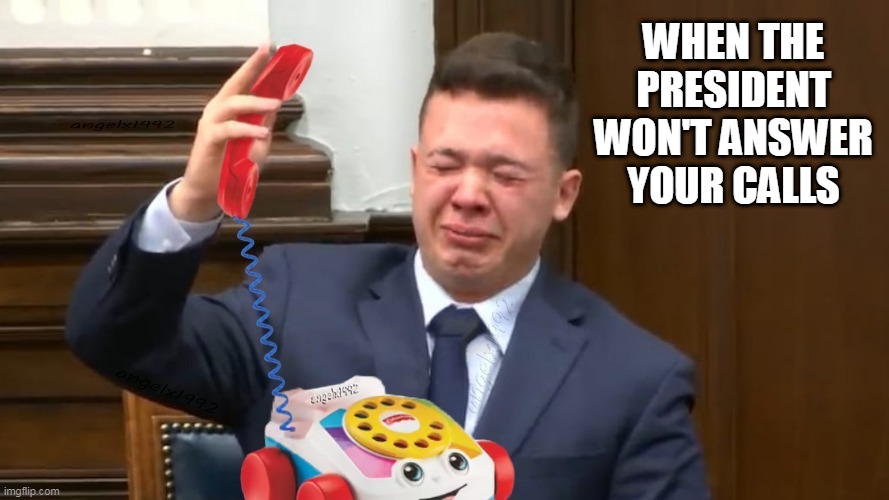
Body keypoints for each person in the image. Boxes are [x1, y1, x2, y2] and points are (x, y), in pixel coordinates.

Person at [65, 32, 711, 499]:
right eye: (445, 164)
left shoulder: (633, 379)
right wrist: (194, 200)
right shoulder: (294, 300)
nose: (467, 194)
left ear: (563, 194)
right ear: (415, 169)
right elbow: (113, 340)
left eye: (505, 174)